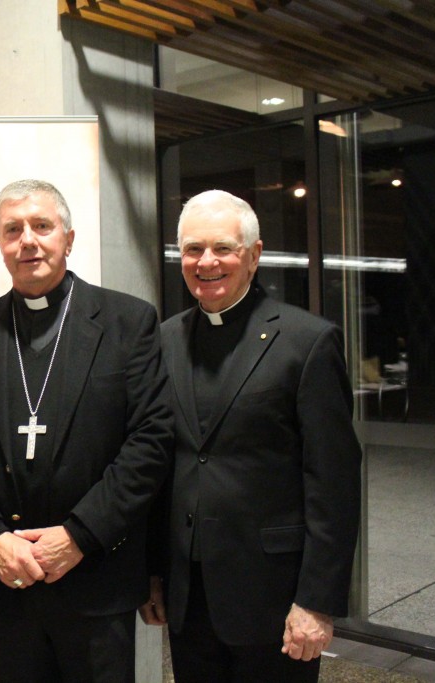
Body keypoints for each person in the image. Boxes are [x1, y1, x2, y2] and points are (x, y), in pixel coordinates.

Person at [0, 179, 172, 682]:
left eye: (42, 226)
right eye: (12, 230)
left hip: (96, 577)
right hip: (7, 580)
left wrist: (80, 535)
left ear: (68, 237)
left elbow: (150, 442)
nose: (28, 241)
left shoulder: (129, 322)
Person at [140, 189, 362, 682]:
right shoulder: (164, 340)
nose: (207, 262)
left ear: (254, 255)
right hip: (189, 595)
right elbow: (160, 465)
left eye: (223, 248)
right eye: (193, 249)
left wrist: (317, 603)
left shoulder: (307, 342)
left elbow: (335, 483)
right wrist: (154, 573)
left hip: (275, 597)